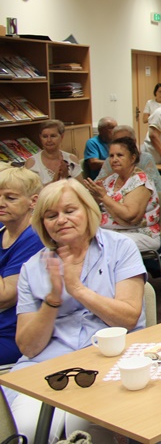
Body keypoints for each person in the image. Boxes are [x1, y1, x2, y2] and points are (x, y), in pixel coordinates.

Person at [9, 179, 146, 444]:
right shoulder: (32, 267)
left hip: (108, 361)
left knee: (82, 428)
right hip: (47, 366)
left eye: (70, 211)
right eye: (51, 215)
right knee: (28, 430)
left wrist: (76, 288)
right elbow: (28, 347)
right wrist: (52, 300)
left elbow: (128, 318)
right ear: (43, 223)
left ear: (87, 210)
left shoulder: (120, 248)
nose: (61, 220)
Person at [84, 136, 161, 293]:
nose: (114, 159)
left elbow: (131, 217)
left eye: (120, 155)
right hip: (114, 233)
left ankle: (111, 293)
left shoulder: (140, 181)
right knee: (81, 239)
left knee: (102, 245)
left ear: (133, 158)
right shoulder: (110, 180)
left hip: (141, 234)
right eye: (111, 156)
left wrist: (104, 198)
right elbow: (101, 207)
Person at [0, 168, 44, 364]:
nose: (1, 203)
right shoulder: (3, 231)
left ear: (33, 202)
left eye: (10, 198)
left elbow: (5, 297)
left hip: (12, 333)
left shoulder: (34, 238)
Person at [96, 125, 161, 195]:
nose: (120, 146)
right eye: (116, 142)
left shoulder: (145, 158)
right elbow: (97, 185)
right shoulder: (110, 160)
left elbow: (155, 188)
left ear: (134, 141)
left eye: (124, 142)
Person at [25, 120, 82, 185]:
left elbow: (81, 188)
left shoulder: (72, 159)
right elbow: (30, 192)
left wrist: (67, 176)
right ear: (40, 138)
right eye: (45, 136)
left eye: (53, 136)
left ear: (62, 137)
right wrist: (54, 181)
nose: (49, 140)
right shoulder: (32, 162)